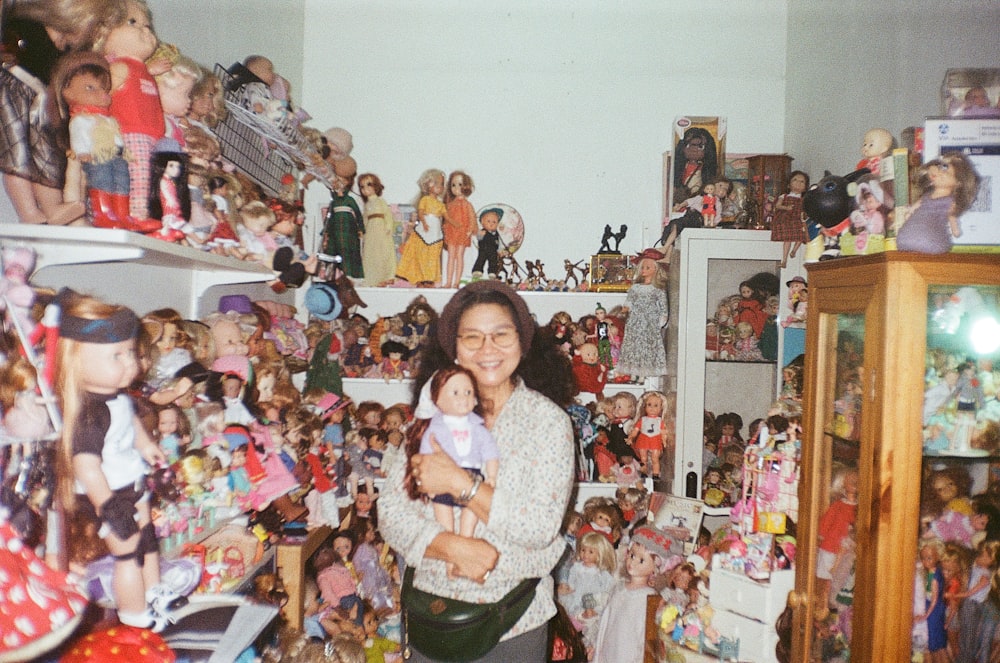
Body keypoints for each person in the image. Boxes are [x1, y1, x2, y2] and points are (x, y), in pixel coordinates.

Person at [379, 279, 576, 662]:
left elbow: (539, 528)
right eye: (472, 338)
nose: (488, 349)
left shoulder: (548, 422)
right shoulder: (429, 417)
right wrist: (450, 546)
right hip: (431, 616)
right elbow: (390, 511)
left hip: (512, 623)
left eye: (501, 335)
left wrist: (460, 484)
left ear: (522, 341)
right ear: (454, 350)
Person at [53, 289, 185, 631]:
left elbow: (130, 424)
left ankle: (156, 592)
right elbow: (86, 465)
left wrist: (145, 447)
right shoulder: (89, 414)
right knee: (127, 553)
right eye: (118, 356)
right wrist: (108, 505)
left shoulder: (117, 399)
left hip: (132, 483)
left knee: (148, 541)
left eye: (131, 354)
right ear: (76, 360)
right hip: (108, 494)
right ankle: (135, 613)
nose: (132, 364)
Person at [0, 0, 121, 226]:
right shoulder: (27, 27)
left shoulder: (60, 48)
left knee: (45, 158)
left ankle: (51, 209)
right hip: (14, 95)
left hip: (37, 103)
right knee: (17, 159)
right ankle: (29, 213)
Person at [407, 366, 500, 543]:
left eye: (468, 392)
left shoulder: (478, 428)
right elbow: (426, 455)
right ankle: (450, 542)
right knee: (442, 510)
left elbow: (490, 452)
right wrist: (430, 486)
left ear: (475, 400)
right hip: (441, 476)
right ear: (438, 400)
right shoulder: (434, 428)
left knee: (471, 510)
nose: (463, 398)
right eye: (455, 392)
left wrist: (492, 475)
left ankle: (466, 537)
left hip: (472, 474)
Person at [896, 152, 980, 255]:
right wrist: (909, 212)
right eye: (940, 168)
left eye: (945, 171)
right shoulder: (927, 197)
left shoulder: (948, 201)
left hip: (918, 239)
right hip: (917, 239)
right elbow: (912, 209)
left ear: (958, 182)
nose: (939, 172)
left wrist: (955, 230)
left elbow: (952, 219)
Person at [615, 248, 668, 381]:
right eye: (642, 267)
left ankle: (643, 374)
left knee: (646, 347)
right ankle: (633, 372)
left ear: (655, 269)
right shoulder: (635, 287)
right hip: (635, 320)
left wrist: (662, 318)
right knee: (634, 346)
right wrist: (624, 311)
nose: (644, 270)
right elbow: (629, 301)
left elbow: (663, 305)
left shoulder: (657, 289)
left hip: (650, 321)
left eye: (647, 267)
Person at [395, 168, 447, 286]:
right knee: (418, 254)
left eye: (442, 184)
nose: (440, 186)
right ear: (428, 184)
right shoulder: (422, 202)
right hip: (422, 233)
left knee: (431, 256)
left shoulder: (439, 204)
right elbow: (416, 219)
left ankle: (429, 278)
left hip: (434, 234)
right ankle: (419, 277)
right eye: (437, 182)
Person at [358, 173, 398, 286]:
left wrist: (389, 227)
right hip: (370, 231)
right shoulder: (366, 205)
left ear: (376, 186)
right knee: (371, 254)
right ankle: (371, 278)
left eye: (369, 185)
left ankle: (386, 276)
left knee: (384, 252)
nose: (365, 189)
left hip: (381, 229)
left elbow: (388, 215)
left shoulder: (381, 201)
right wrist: (362, 231)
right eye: (362, 186)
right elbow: (365, 218)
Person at [444, 171, 477, 289]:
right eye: (453, 185)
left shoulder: (467, 204)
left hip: (462, 233)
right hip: (452, 233)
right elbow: (447, 218)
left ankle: (456, 282)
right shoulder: (451, 204)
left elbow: (472, 218)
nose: (456, 188)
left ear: (466, 186)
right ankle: (448, 281)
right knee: (450, 257)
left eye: (460, 184)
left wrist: (469, 230)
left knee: (459, 256)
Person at [771, 170, 809, 268]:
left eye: (802, 182)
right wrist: (786, 208)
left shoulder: (804, 200)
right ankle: (784, 260)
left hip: (798, 219)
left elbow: (807, 210)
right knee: (787, 239)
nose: (798, 183)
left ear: (805, 187)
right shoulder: (784, 196)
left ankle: (794, 251)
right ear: (789, 184)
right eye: (795, 180)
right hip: (787, 219)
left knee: (802, 234)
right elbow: (778, 206)